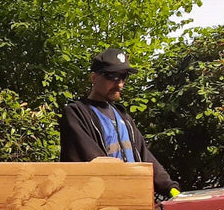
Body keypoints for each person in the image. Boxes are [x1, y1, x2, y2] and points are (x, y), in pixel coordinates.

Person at [59, 46, 178, 196]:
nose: (120, 84)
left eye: (123, 77)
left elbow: (144, 155)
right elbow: (93, 160)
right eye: (112, 76)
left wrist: (171, 189)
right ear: (94, 78)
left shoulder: (122, 116)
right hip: (101, 205)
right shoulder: (77, 113)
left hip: (134, 200)